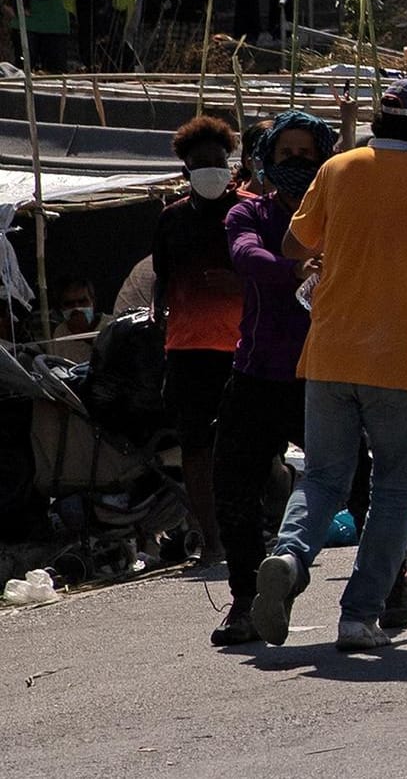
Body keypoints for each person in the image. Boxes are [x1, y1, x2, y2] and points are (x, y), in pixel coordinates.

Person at [252, 75, 407, 652]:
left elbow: (294, 248)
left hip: (330, 351)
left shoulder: (338, 169)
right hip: (403, 358)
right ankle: (359, 614)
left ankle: (289, 559)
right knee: (395, 488)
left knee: (323, 476)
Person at [209, 111, 337, 646]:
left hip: (327, 375)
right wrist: (295, 269)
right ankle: (245, 600)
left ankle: (391, 574)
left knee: (356, 483)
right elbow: (247, 257)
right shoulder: (248, 215)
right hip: (257, 374)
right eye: (286, 155)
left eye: (308, 155)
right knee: (233, 487)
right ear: (265, 162)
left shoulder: (343, 214)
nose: (298, 164)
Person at [153, 116, 245, 564]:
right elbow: (161, 281)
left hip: (245, 347)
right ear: (185, 170)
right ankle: (211, 540)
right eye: (200, 163)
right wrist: (160, 320)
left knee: (248, 446)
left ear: (230, 164)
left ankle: (252, 526)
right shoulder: (170, 220)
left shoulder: (251, 212)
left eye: (217, 160)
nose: (210, 168)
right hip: (188, 350)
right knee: (196, 448)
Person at [46, 276, 100, 365]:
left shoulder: (111, 326)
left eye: (82, 301)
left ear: (93, 302)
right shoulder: (61, 332)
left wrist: (87, 335)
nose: (76, 308)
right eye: (69, 304)